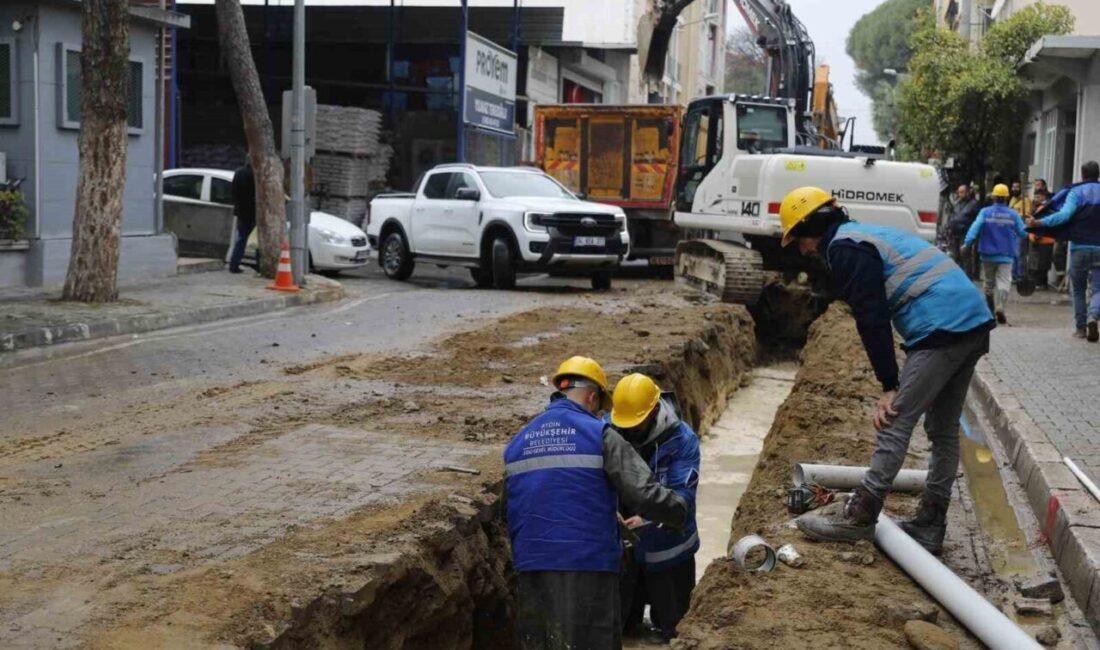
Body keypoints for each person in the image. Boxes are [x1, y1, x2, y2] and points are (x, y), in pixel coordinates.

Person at [778, 187, 993, 555]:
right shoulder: (864, 234)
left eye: (800, 239)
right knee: (942, 430)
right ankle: (930, 523)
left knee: (895, 419)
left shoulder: (844, 248)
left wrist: (889, 385)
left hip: (942, 328)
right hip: (971, 322)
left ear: (813, 224)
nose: (802, 249)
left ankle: (860, 516)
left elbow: (871, 316)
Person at [504, 357, 688, 650]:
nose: (600, 412)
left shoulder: (518, 440)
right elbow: (643, 492)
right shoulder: (599, 434)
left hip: (531, 563)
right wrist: (678, 511)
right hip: (588, 562)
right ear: (592, 397)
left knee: (542, 642)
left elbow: (521, 500)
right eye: (600, 406)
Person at [610, 374, 699, 641]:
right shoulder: (610, 429)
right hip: (624, 555)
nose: (629, 431)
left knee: (675, 631)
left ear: (655, 410)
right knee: (622, 631)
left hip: (670, 552)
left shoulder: (682, 440)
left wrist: (647, 520)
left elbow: (682, 498)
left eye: (636, 425)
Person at [1027, 161, 1100, 341]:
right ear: (1098, 174)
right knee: (1099, 288)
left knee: (1078, 289)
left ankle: (1081, 329)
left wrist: (1040, 222)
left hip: (1079, 248)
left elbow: (1064, 216)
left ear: (1082, 175)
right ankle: (1094, 316)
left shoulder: (1076, 192)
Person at [965, 184, 1027, 324]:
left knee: (989, 283)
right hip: (1006, 254)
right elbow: (1023, 233)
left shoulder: (985, 212)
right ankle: (1000, 306)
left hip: (987, 253)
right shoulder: (1013, 214)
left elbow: (975, 227)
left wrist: (967, 243)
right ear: (1006, 198)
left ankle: (990, 309)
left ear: (993, 197)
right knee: (1004, 281)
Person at [947, 184, 980, 278]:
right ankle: (959, 276)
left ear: (967, 192)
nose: (960, 194)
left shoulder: (974, 204)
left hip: (965, 234)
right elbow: (954, 215)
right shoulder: (958, 203)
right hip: (955, 233)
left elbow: (977, 220)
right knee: (956, 255)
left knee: (965, 255)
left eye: (962, 192)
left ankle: (968, 276)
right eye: (959, 192)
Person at [229, 163, 256, 274]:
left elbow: (233, 192)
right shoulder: (254, 175)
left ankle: (234, 263)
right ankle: (259, 263)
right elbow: (254, 193)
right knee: (256, 239)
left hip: (240, 211)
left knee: (241, 238)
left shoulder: (238, 172)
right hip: (252, 211)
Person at [1029, 187, 1056, 289]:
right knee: (1037, 263)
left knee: (1041, 263)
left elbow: (1043, 223)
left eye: (1038, 197)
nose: (1036, 199)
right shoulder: (1036, 208)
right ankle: (1039, 282)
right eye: (1035, 197)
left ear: (1044, 197)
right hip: (1037, 239)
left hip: (1043, 240)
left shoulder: (1044, 208)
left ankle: (1041, 283)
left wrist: (1037, 236)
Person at [1009, 181, 1033, 283]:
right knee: (1013, 253)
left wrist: (1017, 214)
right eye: (1013, 187)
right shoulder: (1012, 199)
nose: (1014, 189)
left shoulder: (1025, 200)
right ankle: (1013, 275)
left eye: (1017, 187)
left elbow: (1027, 214)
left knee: (1020, 253)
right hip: (1012, 230)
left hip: (1021, 229)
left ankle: (1021, 275)